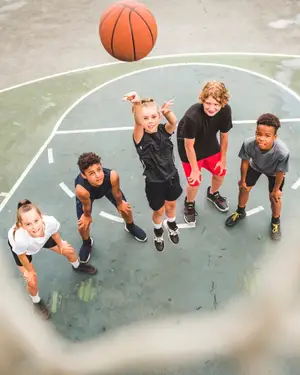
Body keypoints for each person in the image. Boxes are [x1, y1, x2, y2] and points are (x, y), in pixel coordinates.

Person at [7, 199, 97, 319]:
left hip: (43, 239)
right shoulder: (19, 239)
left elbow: (54, 233)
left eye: (36, 220)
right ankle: (36, 301)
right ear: (21, 225)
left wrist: (61, 245)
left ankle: (77, 266)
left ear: (41, 216)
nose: (34, 227)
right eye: (28, 224)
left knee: (69, 251)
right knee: (31, 281)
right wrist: (29, 272)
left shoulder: (50, 222)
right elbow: (22, 256)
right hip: (25, 250)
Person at [123, 92, 183, 252]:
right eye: (145, 118)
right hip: (154, 182)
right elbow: (137, 123)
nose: (149, 121)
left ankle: (171, 223)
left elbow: (174, 122)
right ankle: (158, 231)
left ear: (158, 117)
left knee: (171, 205)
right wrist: (136, 104)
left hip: (172, 176)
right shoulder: (140, 138)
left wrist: (166, 112)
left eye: (153, 117)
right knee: (159, 210)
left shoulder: (164, 130)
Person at [225, 113, 289, 240]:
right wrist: (243, 181)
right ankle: (240, 212)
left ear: (275, 137)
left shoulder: (282, 152)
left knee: (274, 198)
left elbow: (280, 172)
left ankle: (275, 221)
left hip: (274, 172)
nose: (261, 138)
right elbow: (244, 163)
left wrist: (276, 190)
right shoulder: (248, 143)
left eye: (267, 136)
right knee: (243, 189)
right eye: (259, 134)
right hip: (255, 166)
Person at [177, 81, 233, 225]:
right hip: (189, 147)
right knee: (194, 181)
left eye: (216, 104)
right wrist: (195, 170)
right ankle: (189, 203)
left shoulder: (226, 111)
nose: (211, 108)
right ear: (202, 99)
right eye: (208, 103)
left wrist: (223, 158)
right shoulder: (192, 117)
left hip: (208, 142)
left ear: (223, 103)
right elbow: (189, 146)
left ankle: (213, 193)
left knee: (220, 173)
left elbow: (224, 136)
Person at [75, 152, 147, 262]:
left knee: (126, 208)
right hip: (89, 195)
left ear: (101, 165)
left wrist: (120, 204)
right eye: (91, 173)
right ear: (84, 175)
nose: (98, 175)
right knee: (82, 225)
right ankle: (87, 243)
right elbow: (86, 205)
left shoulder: (112, 176)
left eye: (99, 169)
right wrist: (87, 216)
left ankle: (130, 226)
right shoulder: (81, 189)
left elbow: (117, 193)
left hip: (107, 188)